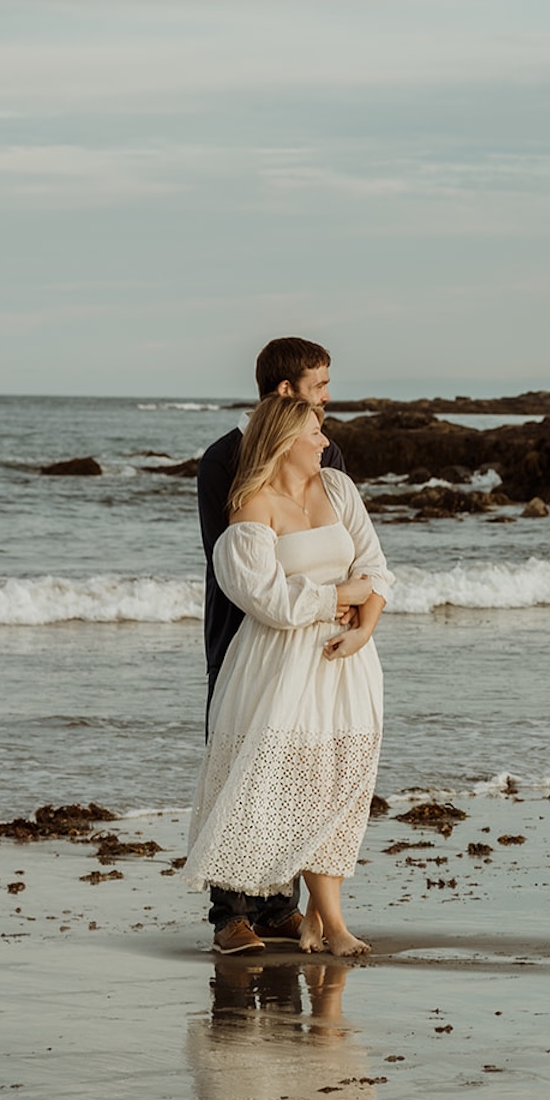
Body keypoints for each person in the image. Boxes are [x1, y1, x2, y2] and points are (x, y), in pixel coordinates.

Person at [186, 394, 394, 956]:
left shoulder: (340, 489)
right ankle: (274, 919)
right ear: (282, 439)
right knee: (273, 787)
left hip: (347, 661)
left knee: (339, 787)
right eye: (315, 431)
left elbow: (375, 566)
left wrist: (363, 624)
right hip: (279, 667)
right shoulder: (251, 504)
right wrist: (338, 596)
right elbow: (265, 598)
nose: (325, 441)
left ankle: (316, 919)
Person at [198, 337, 347, 953]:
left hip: (312, 636)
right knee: (242, 760)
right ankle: (230, 914)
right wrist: (303, 603)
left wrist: (351, 608)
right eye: (319, 386)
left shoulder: (328, 451)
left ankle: (278, 905)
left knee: (293, 765)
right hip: (242, 631)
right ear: (285, 389)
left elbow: (333, 535)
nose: (328, 398)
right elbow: (236, 566)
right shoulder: (223, 459)